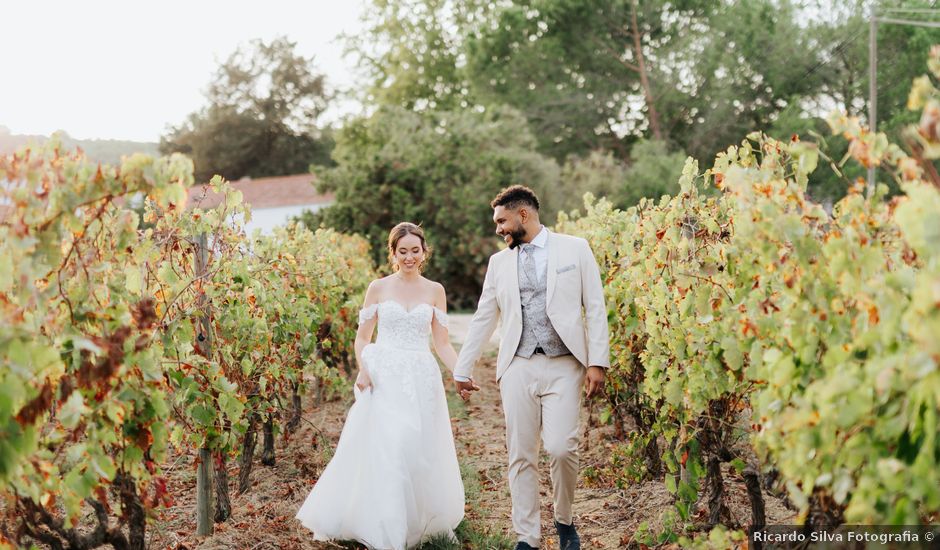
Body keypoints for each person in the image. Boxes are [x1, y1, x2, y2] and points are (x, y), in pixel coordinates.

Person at [454, 185, 610, 550]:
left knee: (561, 448)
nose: (498, 229)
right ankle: (527, 536)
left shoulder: (576, 249)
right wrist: (464, 368)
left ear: (523, 215)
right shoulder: (499, 263)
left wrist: (597, 362)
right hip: (518, 365)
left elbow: (596, 307)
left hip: (565, 364)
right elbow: (483, 318)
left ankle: (565, 520)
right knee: (521, 453)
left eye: (501, 221)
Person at [295, 222, 465, 549]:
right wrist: (364, 368)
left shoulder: (435, 290)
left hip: (419, 377)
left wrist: (460, 373)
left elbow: (442, 344)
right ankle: (386, 527)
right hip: (384, 373)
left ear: (424, 251)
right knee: (393, 446)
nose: (410, 257)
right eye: (403, 251)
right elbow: (362, 338)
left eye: (416, 250)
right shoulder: (378, 287)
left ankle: (416, 521)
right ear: (393, 253)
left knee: (417, 449)